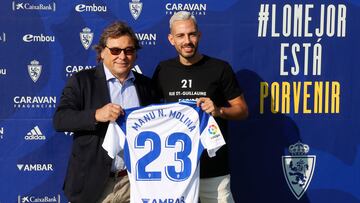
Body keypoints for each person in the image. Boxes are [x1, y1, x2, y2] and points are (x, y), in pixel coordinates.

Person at [53, 21, 158, 203]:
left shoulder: (147, 86)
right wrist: (95, 115)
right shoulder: (82, 81)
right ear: (102, 52)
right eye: (115, 50)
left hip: (134, 184)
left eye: (129, 50)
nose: (122, 56)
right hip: (92, 185)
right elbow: (60, 120)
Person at [152, 11, 248, 203]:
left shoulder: (220, 68)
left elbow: (242, 110)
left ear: (199, 35)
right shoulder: (163, 70)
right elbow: (151, 113)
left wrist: (219, 110)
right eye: (180, 36)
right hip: (176, 171)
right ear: (171, 39)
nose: (187, 40)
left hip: (214, 170)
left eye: (192, 34)